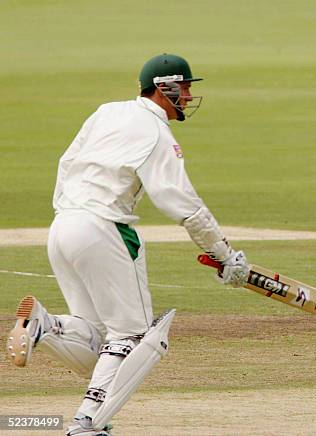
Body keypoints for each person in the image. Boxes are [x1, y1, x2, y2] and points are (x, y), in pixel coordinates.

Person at [6, 53, 250, 435]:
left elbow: (66, 162)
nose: (187, 95)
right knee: (134, 339)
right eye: (184, 87)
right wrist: (224, 253)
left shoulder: (107, 112)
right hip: (104, 230)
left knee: (98, 339)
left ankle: (46, 324)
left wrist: (70, 212)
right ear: (164, 87)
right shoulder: (157, 133)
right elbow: (181, 202)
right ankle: (87, 422)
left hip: (62, 226)